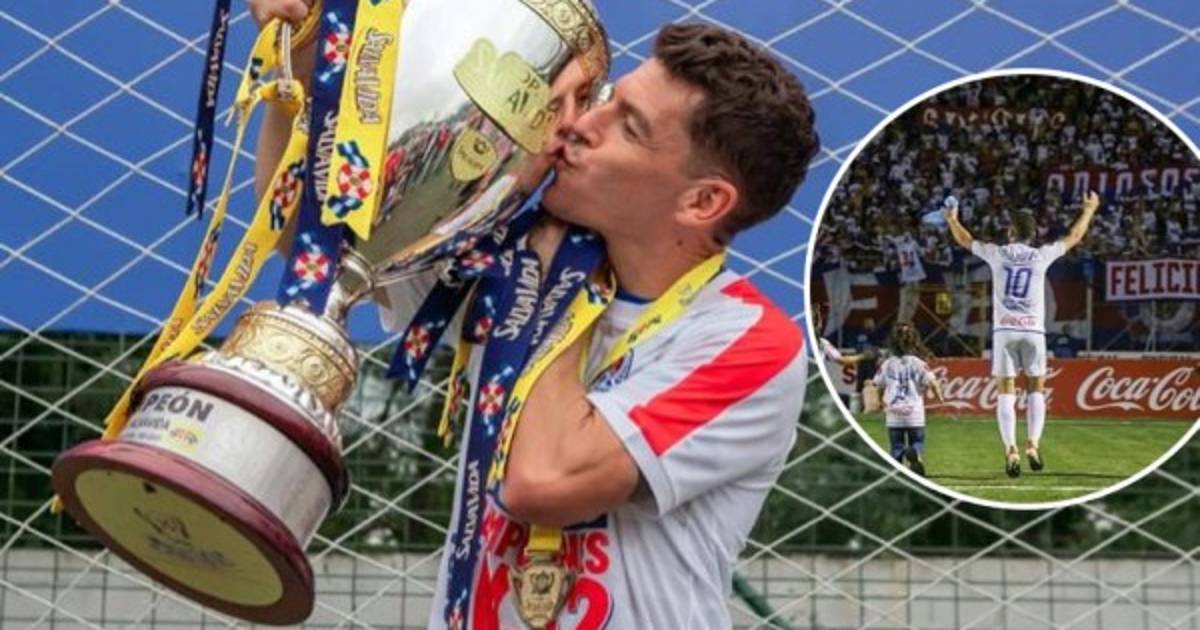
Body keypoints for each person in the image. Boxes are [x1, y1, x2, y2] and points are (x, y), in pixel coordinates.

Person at [254, 5, 820, 629]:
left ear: (703, 201)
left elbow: (543, 481)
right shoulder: (513, 261)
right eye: (607, 99)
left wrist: (544, 289)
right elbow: (310, 241)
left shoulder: (747, 341)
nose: (579, 123)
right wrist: (302, 58)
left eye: (628, 126)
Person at [943, 191, 1099, 478]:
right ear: (1033, 235)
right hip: (1033, 330)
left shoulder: (997, 253)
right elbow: (1075, 237)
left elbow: (965, 240)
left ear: (1010, 233)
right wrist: (1089, 209)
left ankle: (1011, 449)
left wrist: (953, 220)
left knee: (1006, 391)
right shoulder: (1041, 255)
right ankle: (1033, 444)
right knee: (1036, 388)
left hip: (1004, 330)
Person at [871, 323, 943, 476]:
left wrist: (879, 401)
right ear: (914, 341)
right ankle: (915, 454)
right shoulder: (918, 363)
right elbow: (933, 382)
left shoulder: (887, 363)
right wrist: (939, 397)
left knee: (896, 446)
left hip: (894, 412)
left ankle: (897, 472)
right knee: (917, 441)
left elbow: (877, 385)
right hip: (914, 413)